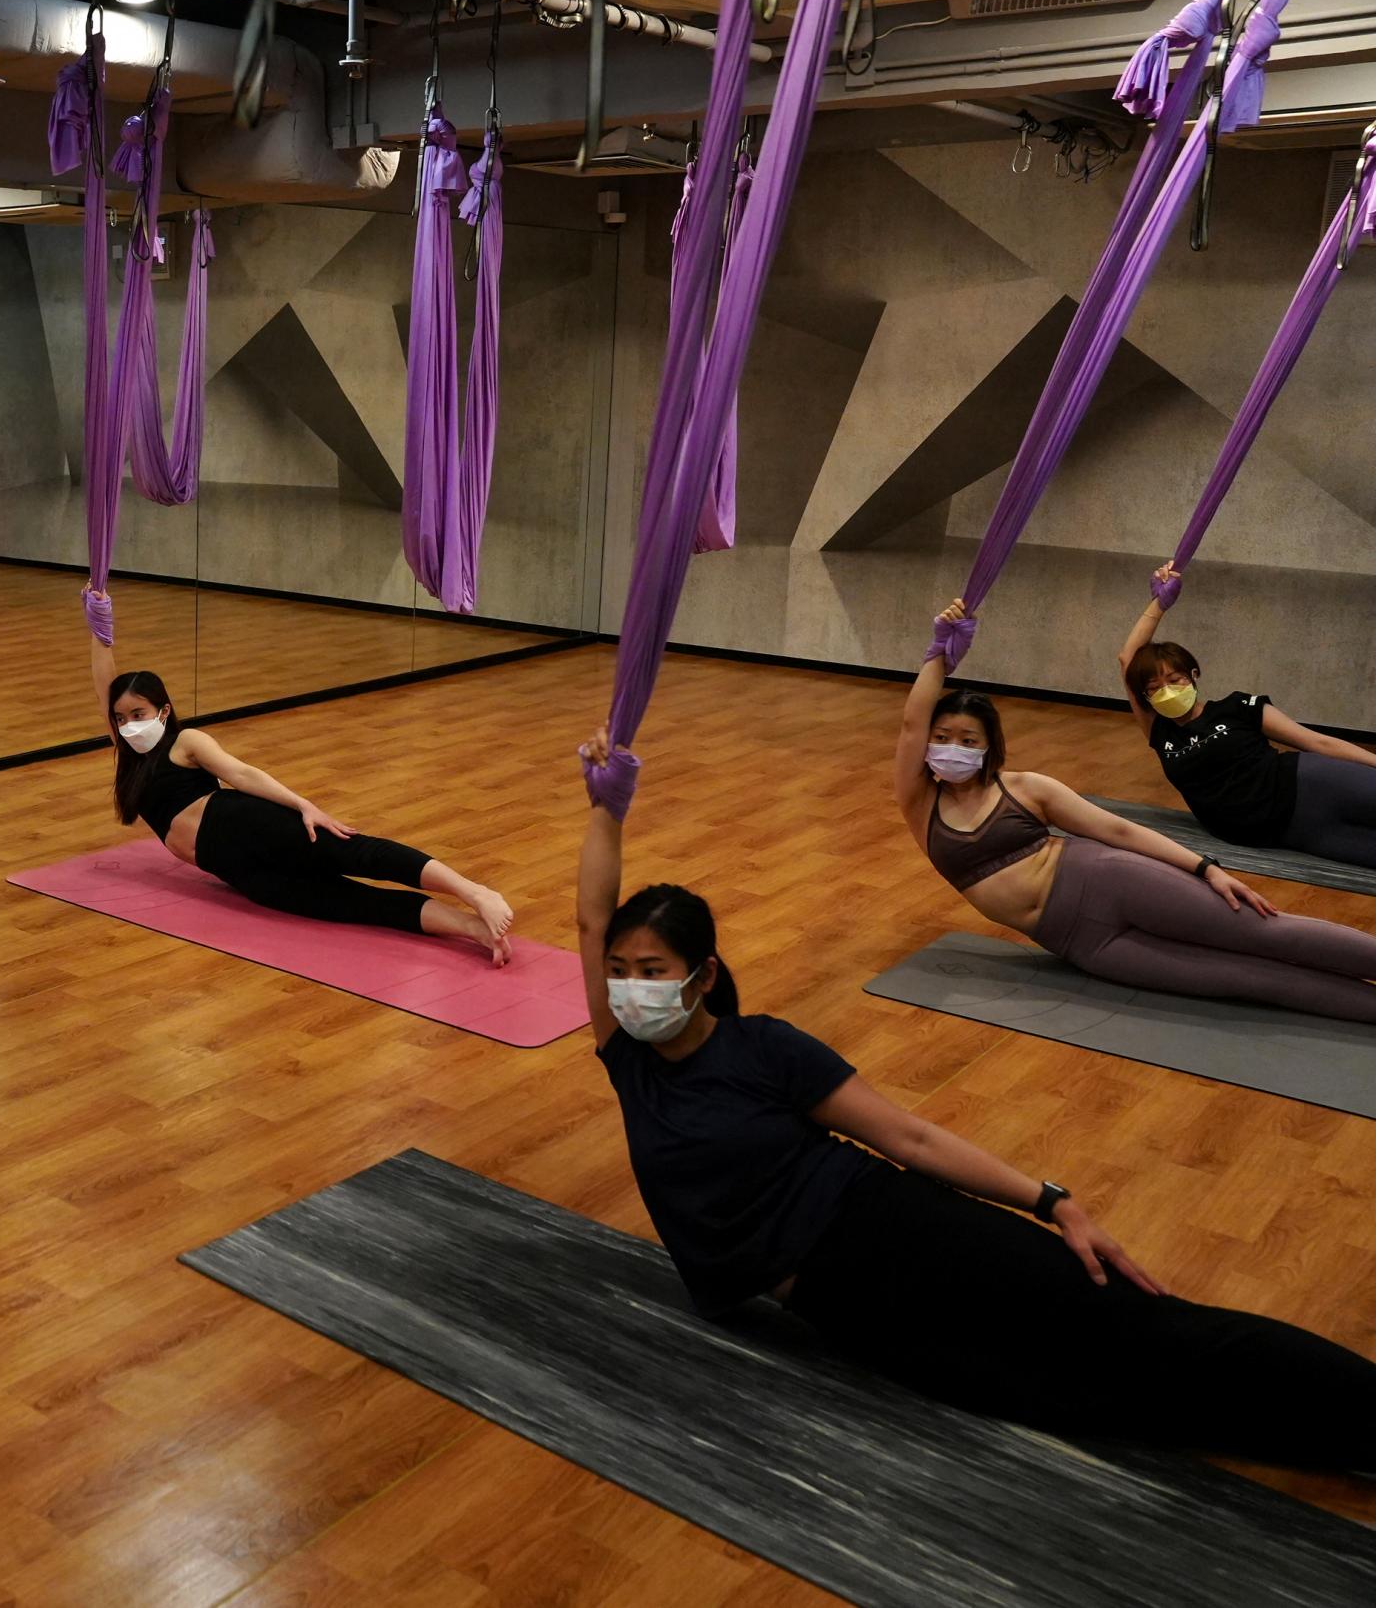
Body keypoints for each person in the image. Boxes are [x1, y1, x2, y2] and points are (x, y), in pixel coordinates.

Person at [575, 728, 1376, 1469]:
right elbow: (588, 921)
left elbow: (909, 1140)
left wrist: (1051, 1200)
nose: (632, 987)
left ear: (702, 975)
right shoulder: (629, 1062)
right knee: (1083, 1400)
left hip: (899, 1229)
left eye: (653, 970)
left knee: (1151, 1333)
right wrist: (606, 812)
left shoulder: (764, 1047)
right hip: (844, 1307)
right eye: (622, 971)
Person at [900, 599, 1376, 1023]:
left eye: (967, 740)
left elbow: (1119, 830)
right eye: (941, 739)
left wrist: (1206, 869)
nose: (952, 749)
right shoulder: (921, 806)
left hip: (1106, 880)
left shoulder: (1025, 788)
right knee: (1252, 981)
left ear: (988, 747)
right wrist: (938, 657)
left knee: (1265, 934)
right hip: (1077, 941)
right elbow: (909, 724)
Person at [87, 590, 513, 960]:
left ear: (162, 711)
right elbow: (104, 684)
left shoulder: (185, 741)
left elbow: (242, 774)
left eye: (138, 714)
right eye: (121, 718)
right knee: (356, 904)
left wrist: (303, 806)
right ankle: (472, 929)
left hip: (249, 825)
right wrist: (97, 622)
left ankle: (474, 891)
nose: (128, 725)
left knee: (357, 853)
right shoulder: (126, 754)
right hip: (240, 874)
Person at [1118, 561, 1376, 866]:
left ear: (1194, 675)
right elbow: (1127, 659)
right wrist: (1158, 603)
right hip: (1291, 831)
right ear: (1146, 696)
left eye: (1174, 681)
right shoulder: (1160, 733)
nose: (1167, 691)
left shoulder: (1237, 707)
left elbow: (1315, 742)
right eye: (1155, 687)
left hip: (1310, 783)